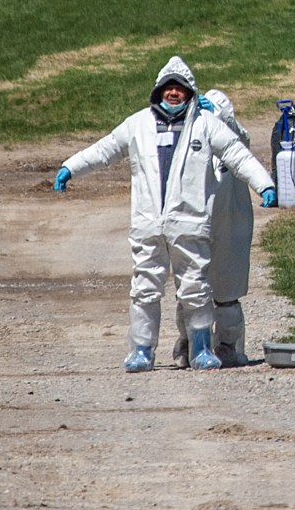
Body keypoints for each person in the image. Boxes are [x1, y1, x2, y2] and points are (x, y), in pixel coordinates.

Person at [53, 56, 275, 371]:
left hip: (190, 222)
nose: (173, 94)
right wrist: (70, 167)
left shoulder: (204, 124)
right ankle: (141, 350)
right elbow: (104, 150)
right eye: (168, 88)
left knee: (194, 288)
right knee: (144, 287)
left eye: (180, 89)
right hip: (148, 223)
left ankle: (200, 348)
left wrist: (264, 184)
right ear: (158, 92)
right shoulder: (138, 124)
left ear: (190, 93)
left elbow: (238, 154)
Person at [171, 85, 254, 368]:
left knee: (228, 288)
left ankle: (228, 346)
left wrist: (223, 120)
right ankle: (188, 343)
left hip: (231, 217)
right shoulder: (177, 130)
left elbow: (242, 142)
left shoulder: (220, 113)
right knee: (191, 285)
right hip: (191, 218)